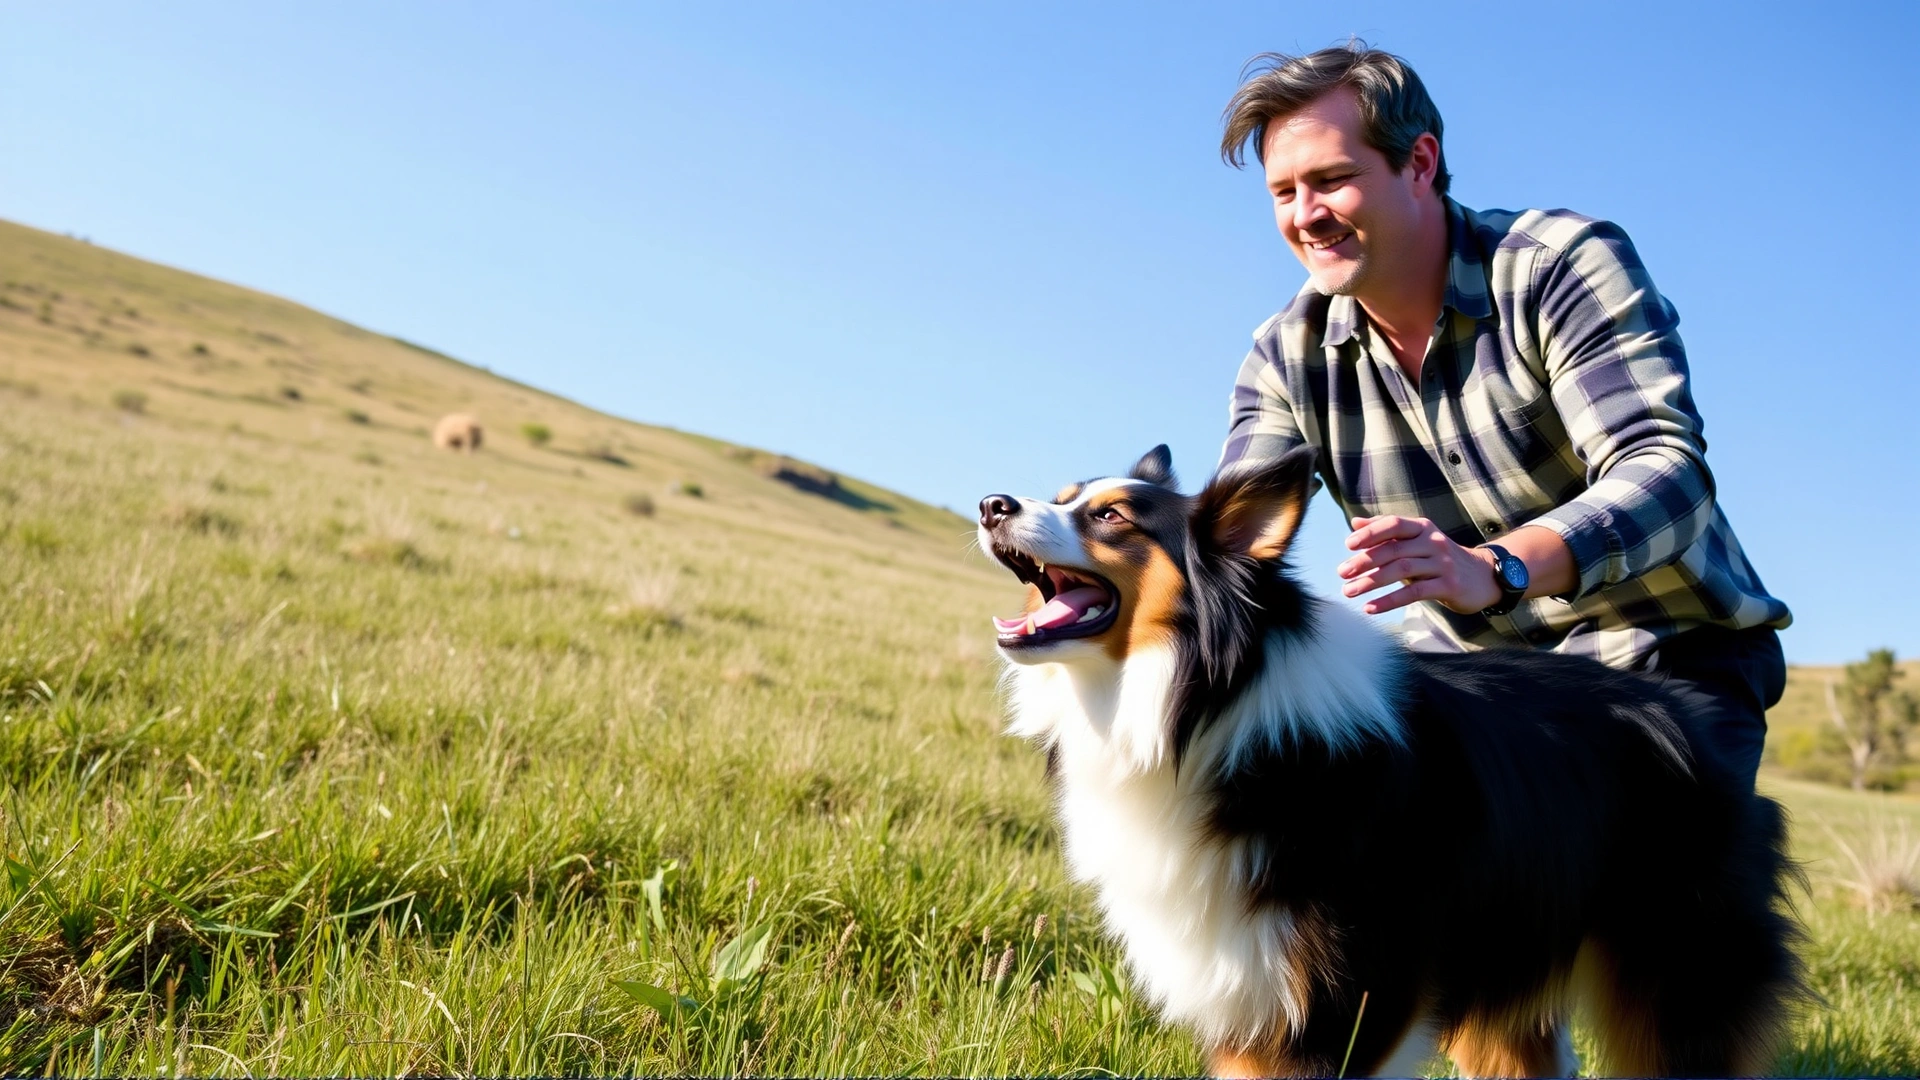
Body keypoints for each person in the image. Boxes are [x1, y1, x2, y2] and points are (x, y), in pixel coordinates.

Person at [1216, 44, 1789, 785]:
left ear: (1419, 163)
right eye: (1283, 191)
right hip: (1469, 686)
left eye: (1332, 180)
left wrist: (1494, 566)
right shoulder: (1284, 357)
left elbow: (1664, 471)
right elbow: (1230, 544)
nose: (1305, 216)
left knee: (1623, 901)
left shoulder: (1558, 264)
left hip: (1659, 658)